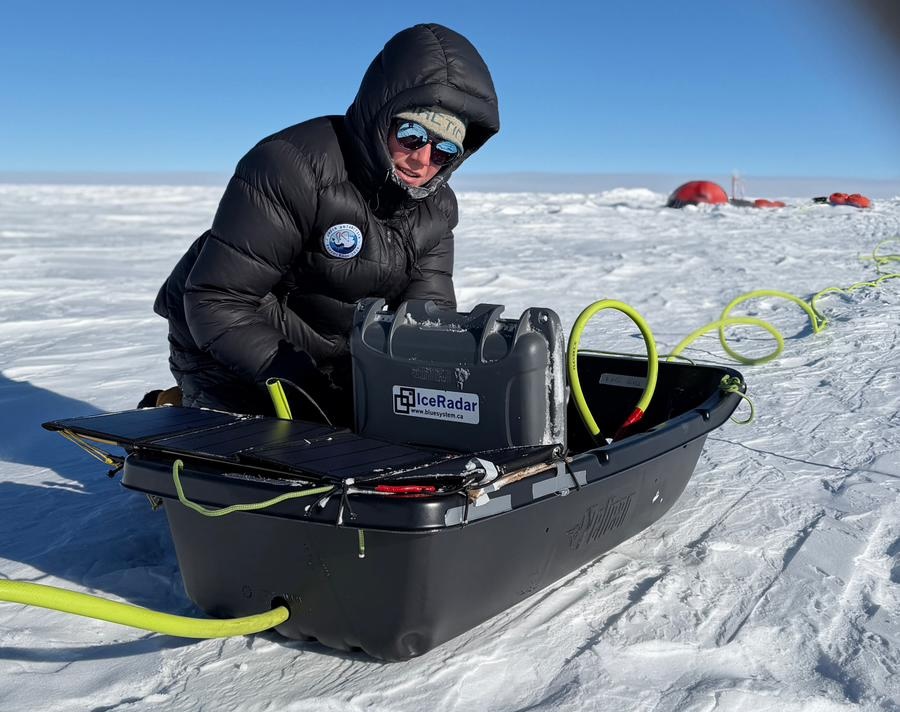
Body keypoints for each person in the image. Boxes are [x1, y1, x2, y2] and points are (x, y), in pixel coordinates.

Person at [151, 23, 500, 426]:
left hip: (328, 355)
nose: (422, 159)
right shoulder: (291, 165)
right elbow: (217, 300)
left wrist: (431, 382)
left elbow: (425, 314)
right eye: (411, 135)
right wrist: (303, 383)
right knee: (266, 465)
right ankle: (179, 406)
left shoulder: (436, 208)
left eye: (443, 150)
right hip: (225, 348)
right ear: (381, 114)